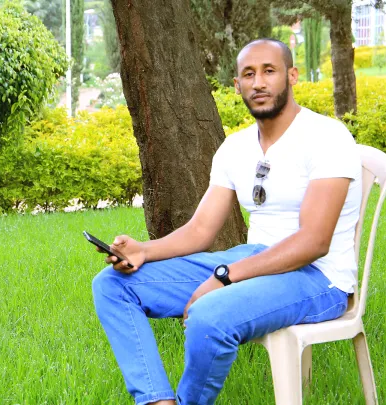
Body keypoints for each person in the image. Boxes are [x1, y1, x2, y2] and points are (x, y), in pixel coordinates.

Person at [91, 38, 362, 405]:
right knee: (113, 285)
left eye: (270, 71)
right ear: (237, 85)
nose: (259, 83)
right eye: (248, 74)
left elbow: (314, 242)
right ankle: (157, 400)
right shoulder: (235, 148)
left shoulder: (326, 137)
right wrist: (144, 250)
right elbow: (201, 230)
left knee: (209, 315)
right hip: (254, 258)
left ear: (292, 76)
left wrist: (225, 277)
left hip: (318, 278)